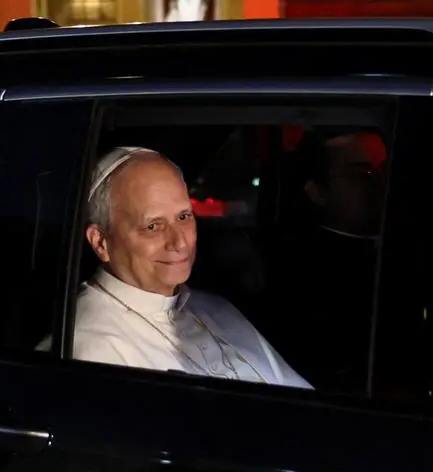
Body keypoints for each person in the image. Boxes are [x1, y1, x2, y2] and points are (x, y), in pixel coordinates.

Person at [73, 146, 312, 389]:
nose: (179, 243)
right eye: (153, 226)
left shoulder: (217, 307)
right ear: (100, 242)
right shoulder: (91, 347)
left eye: (183, 217)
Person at [264, 129, 387, 393]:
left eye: (385, 169)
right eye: (361, 174)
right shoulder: (307, 276)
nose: (381, 183)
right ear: (317, 192)